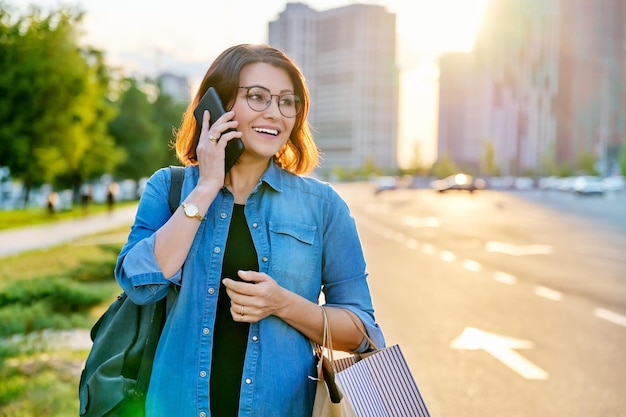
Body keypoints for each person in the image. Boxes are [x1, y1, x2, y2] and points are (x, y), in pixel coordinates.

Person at [114, 43, 385, 417]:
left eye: (286, 102)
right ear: (219, 105)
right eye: (257, 97)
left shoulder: (323, 206)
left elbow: (363, 334)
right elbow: (140, 283)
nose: (274, 113)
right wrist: (206, 187)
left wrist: (282, 303)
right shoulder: (169, 188)